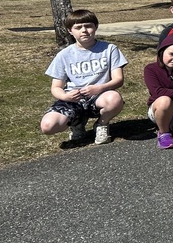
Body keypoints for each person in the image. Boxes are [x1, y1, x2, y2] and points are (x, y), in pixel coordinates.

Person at [40, 9, 126, 145]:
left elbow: (118, 79)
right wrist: (65, 97)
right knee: (48, 126)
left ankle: (101, 124)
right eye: (78, 27)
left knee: (114, 98)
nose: (84, 30)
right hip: (74, 99)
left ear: (96, 27)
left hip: (99, 96)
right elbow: (56, 87)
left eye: (88, 26)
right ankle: (77, 123)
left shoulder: (110, 49)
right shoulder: (64, 55)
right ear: (70, 31)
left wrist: (99, 88)